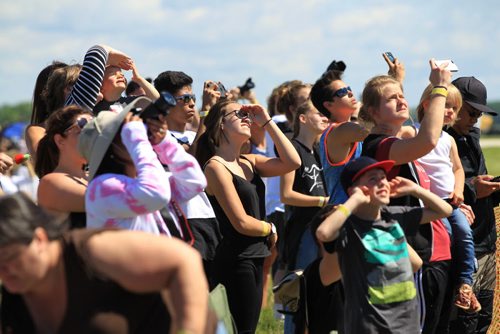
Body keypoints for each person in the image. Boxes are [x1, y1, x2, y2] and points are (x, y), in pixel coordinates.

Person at [0, 192, 209, 334]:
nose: (4, 271)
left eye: (9, 258)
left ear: (39, 239)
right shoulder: (14, 298)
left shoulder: (92, 251)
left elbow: (183, 259)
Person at [359, 60, 453, 334]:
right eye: (393, 98)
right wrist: (439, 88)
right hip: (415, 257)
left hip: (432, 255)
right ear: (373, 113)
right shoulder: (380, 146)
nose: (402, 101)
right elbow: (428, 140)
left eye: (403, 95)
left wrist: (394, 81)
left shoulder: (395, 142)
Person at [196, 99, 301, 333]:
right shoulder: (215, 166)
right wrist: (270, 229)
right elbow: (241, 222)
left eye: (247, 114)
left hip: (254, 255)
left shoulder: (249, 161)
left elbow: (293, 161)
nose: (246, 118)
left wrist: (267, 122)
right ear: (220, 125)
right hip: (235, 260)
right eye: (237, 114)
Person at [315, 156, 452, 333]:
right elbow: (323, 233)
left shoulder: (393, 216)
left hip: (406, 323)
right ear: (354, 190)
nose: (383, 183)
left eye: (383, 178)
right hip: (370, 326)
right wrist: (354, 201)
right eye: (373, 179)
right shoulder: (350, 226)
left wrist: (415, 189)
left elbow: (444, 210)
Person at [78, 96, 206, 237]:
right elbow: (157, 194)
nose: (136, 130)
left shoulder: (142, 180)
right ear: (111, 147)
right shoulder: (101, 187)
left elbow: (195, 182)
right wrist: (137, 138)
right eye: (125, 130)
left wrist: (164, 142)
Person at [414, 83, 480, 312]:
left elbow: (458, 169)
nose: (451, 112)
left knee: (464, 233)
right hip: (429, 204)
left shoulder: (448, 139)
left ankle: (465, 284)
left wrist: (459, 190)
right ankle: (450, 279)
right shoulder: (413, 132)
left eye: (455, 108)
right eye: (446, 106)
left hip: (449, 202)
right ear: (426, 105)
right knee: (448, 235)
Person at [154, 71, 223, 288]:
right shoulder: (158, 138)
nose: (192, 104)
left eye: (194, 98)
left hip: (207, 216)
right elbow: (192, 162)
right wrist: (206, 111)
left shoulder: (195, 136)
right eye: (185, 99)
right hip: (181, 220)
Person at [445, 76, 500, 334]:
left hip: (486, 245)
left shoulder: (471, 137)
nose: (475, 119)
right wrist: (471, 189)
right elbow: (436, 192)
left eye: (479, 114)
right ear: (452, 103)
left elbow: (482, 192)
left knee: (483, 319)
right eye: (471, 112)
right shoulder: (439, 142)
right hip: (464, 251)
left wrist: (491, 188)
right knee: (463, 323)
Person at [26, 45, 132, 163]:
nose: (97, 84)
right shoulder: (67, 117)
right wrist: (109, 52)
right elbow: (96, 53)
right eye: (87, 82)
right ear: (68, 89)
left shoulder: (92, 118)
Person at [310, 69, 369, 206]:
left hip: (352, 210)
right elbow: (377, 130)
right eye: (342, 92)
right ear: (329, 105)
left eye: (348, 88)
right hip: (346, 213)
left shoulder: (346, 129)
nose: (350, 92)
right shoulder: (339, 131)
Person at [35, 105, 93, 229]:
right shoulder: (51, 183)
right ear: (60, 140)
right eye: (86, 131)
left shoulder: (92, 178)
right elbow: (113, 201)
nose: (94, 137)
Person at [93, 62, 159, 114]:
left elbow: (155, 98)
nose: (120, 75)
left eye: (121, 73)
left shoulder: (130, 103)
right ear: (100, 84)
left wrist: (139, 79)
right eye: (112, 73)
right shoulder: (94, 103)